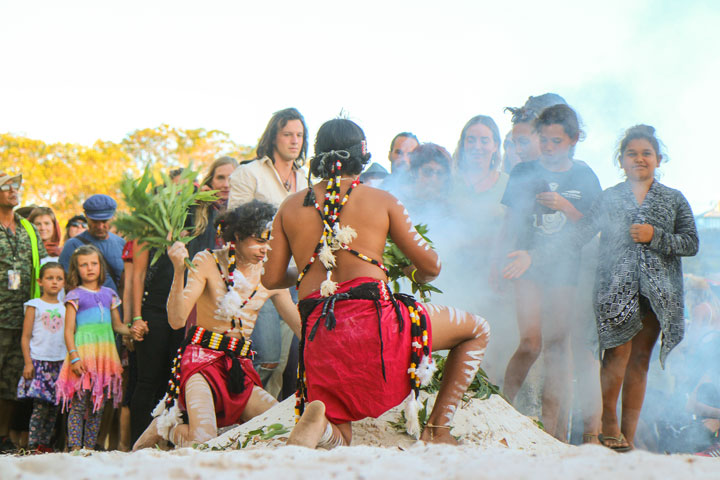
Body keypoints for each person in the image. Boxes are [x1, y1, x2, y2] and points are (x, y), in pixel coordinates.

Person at [263, 118, 490, 448]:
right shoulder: (382, 200)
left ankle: (322, 428)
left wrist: (309, 268)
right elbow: (432, 266)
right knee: (478, 329)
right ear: (362, 156)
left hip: (320, 338)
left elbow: (270, 277)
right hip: (378, 330)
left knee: (342, 436)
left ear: (318, 157)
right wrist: (410, 272)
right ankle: (438, 430)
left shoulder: (290, 206)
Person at [565, 125, 698, 451]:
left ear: (658, 159)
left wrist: (656, 236)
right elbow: (581, 233)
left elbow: (691, 243)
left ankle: (629, 434)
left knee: (640, 360)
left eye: (646, 153)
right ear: (621, 161)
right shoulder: (609, 197)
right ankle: (608, 425)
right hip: (614, 288)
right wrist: (539, 253)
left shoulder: (673, 199)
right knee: (616, 356)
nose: (639, 158)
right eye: (631, 153)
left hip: (658, 292)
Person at [132, 201, 301, 450]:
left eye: (269, 241)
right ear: (237, 236)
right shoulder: (208, 261)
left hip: (238, 369)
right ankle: (164, 426)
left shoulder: (271, 275)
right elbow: (177, 321)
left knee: (283, 428)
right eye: (258, 240)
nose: (265, 249)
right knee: (203, 441)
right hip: (201, 362)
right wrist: (179, 271)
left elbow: (302, 329)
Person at [500, 104, 602, 441]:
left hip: (564, 270)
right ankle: (501, 408)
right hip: (524, 264)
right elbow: (509, 223)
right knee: (530, 343)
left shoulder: (584, 177)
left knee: (558, 347)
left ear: (573, 140)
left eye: (556, 141)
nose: (547, 146)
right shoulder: (523, 172)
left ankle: (552, 430)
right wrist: (495, 264)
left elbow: (593, 227)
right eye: (543, 139)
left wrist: (566, 206)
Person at [228, 108, 308, 399]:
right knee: (267, 358)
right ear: (273, 136)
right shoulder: (249, 173)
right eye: (288, 134)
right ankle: (240, 416)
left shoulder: (308, 177)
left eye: (299, 135)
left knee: (289, 363)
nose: (294, 140)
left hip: (296, 275)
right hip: (258, 277)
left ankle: (268, 430)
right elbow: (232, 226)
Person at [54, 245, 138, 450]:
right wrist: (74, 358)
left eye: (94, 263)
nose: (90, 268)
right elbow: (68, 330)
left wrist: (132, 330)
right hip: (83, 356)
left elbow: (117, 325)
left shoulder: (109, 294)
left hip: (104, 357)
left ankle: (89, 447)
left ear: (101, 266)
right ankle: (75, 447)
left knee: (98, 406)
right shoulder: (74, 295)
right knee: (79, 404)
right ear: (76, 269)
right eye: (84, 265)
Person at [0, 172, 47, 452]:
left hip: (22, 318)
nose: (13, 191)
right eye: (5, 187)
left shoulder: (28, 228)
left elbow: (39, 268)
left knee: (11, 383)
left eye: (15, 186)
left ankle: (3, 436)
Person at [17, 262, 66, 453]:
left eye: (59, 278)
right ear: (40, 282)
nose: (54, 282)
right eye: (50, 278)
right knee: (40, 406)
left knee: (54, 407)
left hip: (59, 363)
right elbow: (25, 337)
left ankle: (45, 443)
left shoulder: (66, 307)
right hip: (39, 361)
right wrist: (28, 362)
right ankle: (33, 443)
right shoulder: (34, 306)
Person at [60, 195, 125, 295]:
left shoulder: (121, 244)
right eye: (94, 221)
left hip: (117, 308)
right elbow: (67, 284)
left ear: (113, 217)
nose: (100, 226)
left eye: (104, 221)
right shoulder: (72, 245)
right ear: (86, 216)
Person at [379, 132, 419, 198]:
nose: (404, 159)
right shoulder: (374, 186)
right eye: (399, 153)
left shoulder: (421, 193)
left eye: (410, 154)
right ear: (390, 155)